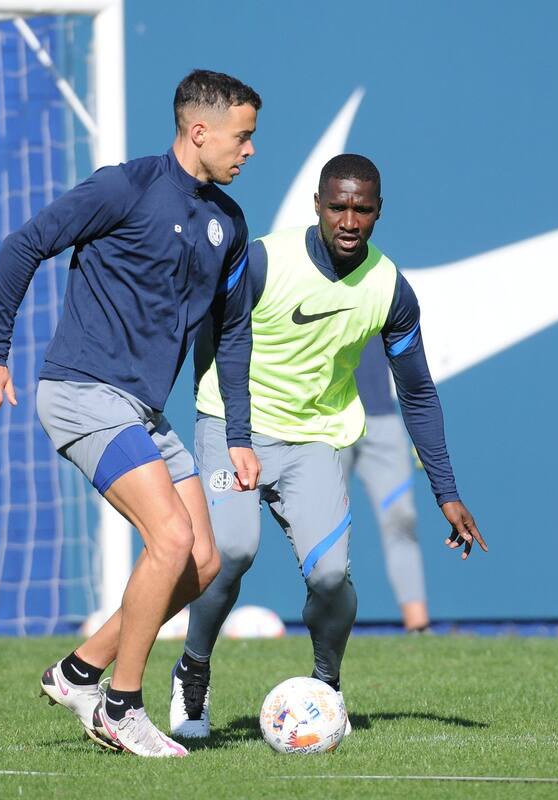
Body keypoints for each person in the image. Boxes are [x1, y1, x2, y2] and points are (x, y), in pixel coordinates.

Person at [0, 69, 262, 758]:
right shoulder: (123, 187)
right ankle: (119, 709)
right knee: (167, 538)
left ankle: (78, 673)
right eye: (242, 138)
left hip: (143, 410)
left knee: (203, 560)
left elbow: (235, 334)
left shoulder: (229, 224)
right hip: (81, 390)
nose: (249, 151)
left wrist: (240, 437)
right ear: (199, 131)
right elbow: (23, 247)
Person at [168, 153, 487, 739]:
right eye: (337, 206)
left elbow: (417, 392)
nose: (348, 219)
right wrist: (235, 432)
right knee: (232, 551)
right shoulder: (264, 259)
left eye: (361, 209)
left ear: (378, 213)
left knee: (332, 579)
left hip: (314, 437)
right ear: (317, 205)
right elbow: (214, 338)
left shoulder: (390, 288)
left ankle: (324, 686)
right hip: (230, 423)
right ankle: (193, 670)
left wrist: (447, 492)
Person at [344, 341, 431, 633]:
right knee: (322, 528)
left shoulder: (388, 293)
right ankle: (325, 624)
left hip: (381, 419)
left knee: (401, 518)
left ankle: (418, 628)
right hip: (326, 419)